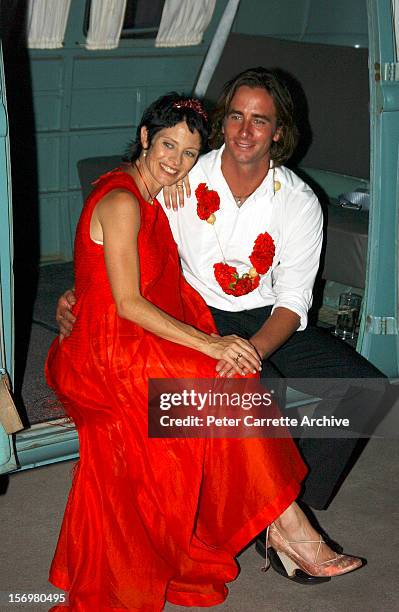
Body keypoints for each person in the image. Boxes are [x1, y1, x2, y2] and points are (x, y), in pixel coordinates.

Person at [54, 80, 370, 596]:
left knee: (362, 392)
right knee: (244, 396)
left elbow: (294, 301)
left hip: (269, 317)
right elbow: (120, 256)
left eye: (260, 120)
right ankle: (286, 524)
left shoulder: (297, 200)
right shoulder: (183, 173)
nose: (245, 130)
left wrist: (255, 349)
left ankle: (273, 512)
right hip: (199, 312)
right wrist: (79, 293)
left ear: (278, 132)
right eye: (236, 117)